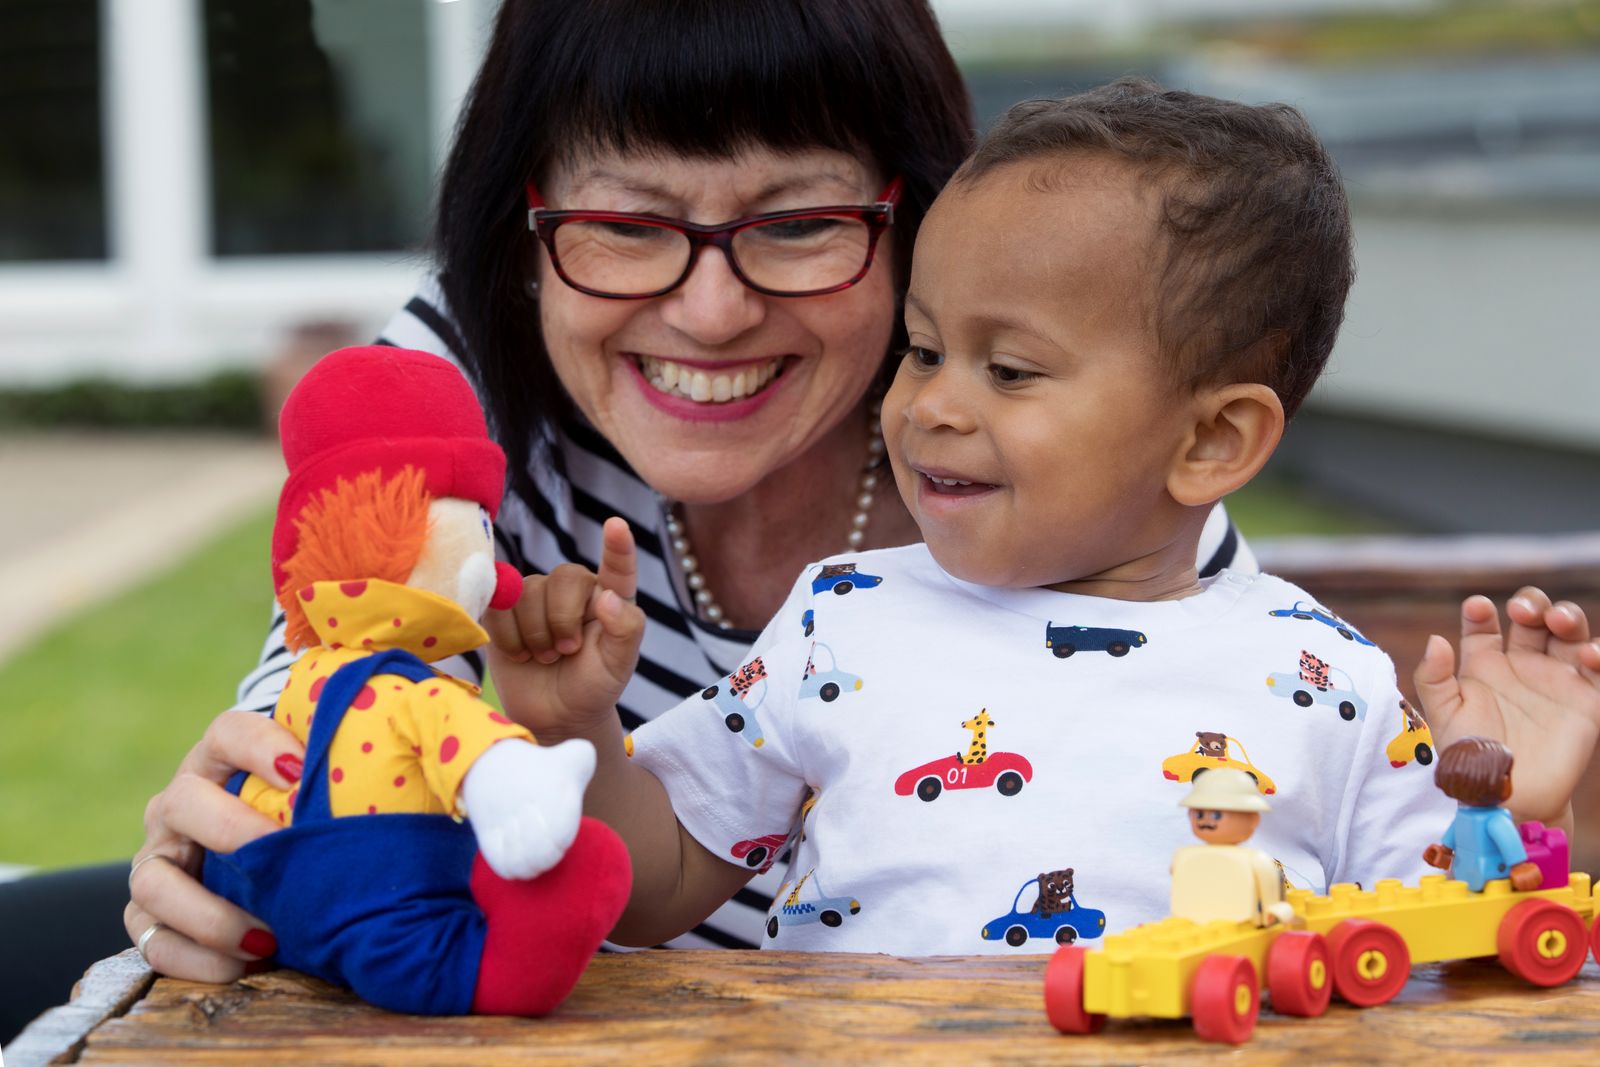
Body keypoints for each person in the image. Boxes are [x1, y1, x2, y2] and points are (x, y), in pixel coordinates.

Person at [492, 79, 1600, 953]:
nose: (932, 404)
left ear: (1209, 441)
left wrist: (1506, 789)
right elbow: (653, 892)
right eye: (923, 349)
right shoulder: (841, 620)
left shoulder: (1322, 674)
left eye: (1010, 369)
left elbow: (1446, 955)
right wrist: (576, 728)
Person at [1170, 769, 1295, 928]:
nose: (1207, 820)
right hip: (1193, 925)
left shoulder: (1255, 861)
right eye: (1200, 814)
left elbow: (1270, 894)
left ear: (1253, 820)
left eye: (1216, 815)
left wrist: (1271, 912)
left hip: (1244, 926)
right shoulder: (1184, 857)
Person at [1423, 737, 1543, 892]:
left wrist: (1519, 865)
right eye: (1506, 774)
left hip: (1472, 873)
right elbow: (1508, 840)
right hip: (1487, 875)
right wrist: (1444, 851)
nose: (1508, 779)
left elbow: (1455, 831)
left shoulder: (1469, 815)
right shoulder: (1494, 820)